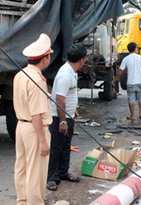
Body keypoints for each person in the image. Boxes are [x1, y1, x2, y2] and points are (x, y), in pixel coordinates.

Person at [13, 33, 53, 205]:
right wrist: (43, 141)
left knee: (22, 168)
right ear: (45, 59)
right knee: (36, 172)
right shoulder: (37, 80)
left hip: (21, 127)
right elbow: (36, 113)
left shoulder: (20, 74)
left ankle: (22, 201)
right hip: (34, 128)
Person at [46, 45, 87, 191]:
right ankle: (51, 178)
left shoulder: (72, 71)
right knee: (56, 147)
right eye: (85, 58)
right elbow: (60, 99)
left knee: (65, 146)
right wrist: (62, 121)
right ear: (81, 60)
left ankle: (62, 172)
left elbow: (69, 96)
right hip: (59, 116)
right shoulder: (65, 74)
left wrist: (73, 110)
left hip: (67, 114)